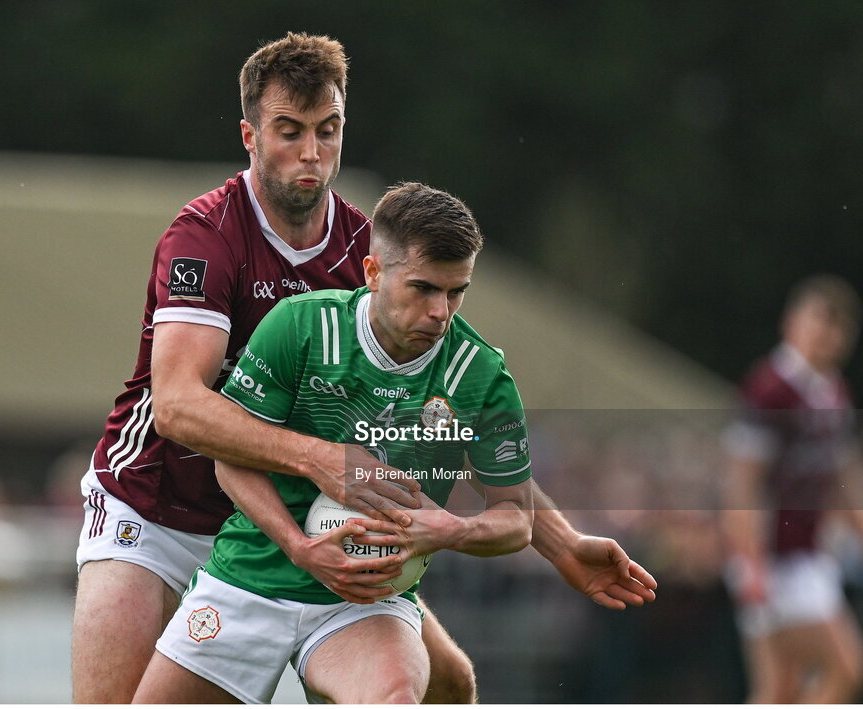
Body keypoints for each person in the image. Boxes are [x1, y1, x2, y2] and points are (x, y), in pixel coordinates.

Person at [74, 32, 655, 704]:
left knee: (450, 682)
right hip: (156, 508)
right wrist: (325, 458)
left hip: (288, 519)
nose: (312, 154)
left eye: (329, 131)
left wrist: (559, 542)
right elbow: (178, 406)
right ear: (250, 135)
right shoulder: (205, 236)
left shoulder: (370, 252)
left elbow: (454, 407)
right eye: (289, 132)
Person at [132, 182, 632, 703]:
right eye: (423, 288)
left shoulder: (480, 375)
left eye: (456, 291)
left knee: (397, 697)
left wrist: (452, 530)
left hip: (370, 599)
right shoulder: (300, 327)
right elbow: (230, 462)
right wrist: (301, 549)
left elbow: (515, 518)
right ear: (373, 273)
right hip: (252, 577)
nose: (441, 311)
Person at [721, 274, 863, 703]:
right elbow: (743, 482)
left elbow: (847, 480)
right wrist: (749, 559)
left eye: (840, 326)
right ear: (792, 322)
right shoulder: (770, 390)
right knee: (848, 668)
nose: (829, 335)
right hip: (773, 558)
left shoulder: (833, 393)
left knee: (779, 691)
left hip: (807, 557)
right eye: (821, 321)